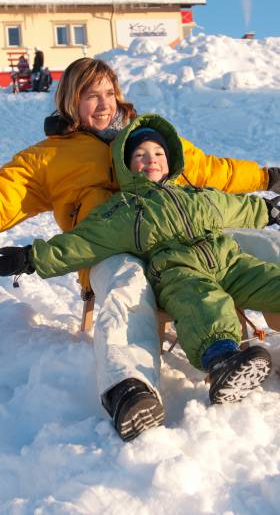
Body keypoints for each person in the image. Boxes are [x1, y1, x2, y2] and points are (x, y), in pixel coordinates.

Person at [0, 57, 280, 439]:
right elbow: (7, 193)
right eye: (90, 95)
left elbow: (211, 170)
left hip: (185, 239)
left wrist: (267, 178)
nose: (104, 104)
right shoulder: (48, 157)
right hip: (104, 248)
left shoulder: (146, 136)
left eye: (109, 93)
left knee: (267, 247)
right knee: (125, 286)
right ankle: (129, 389)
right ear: (69, 101)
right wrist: (30, 257)